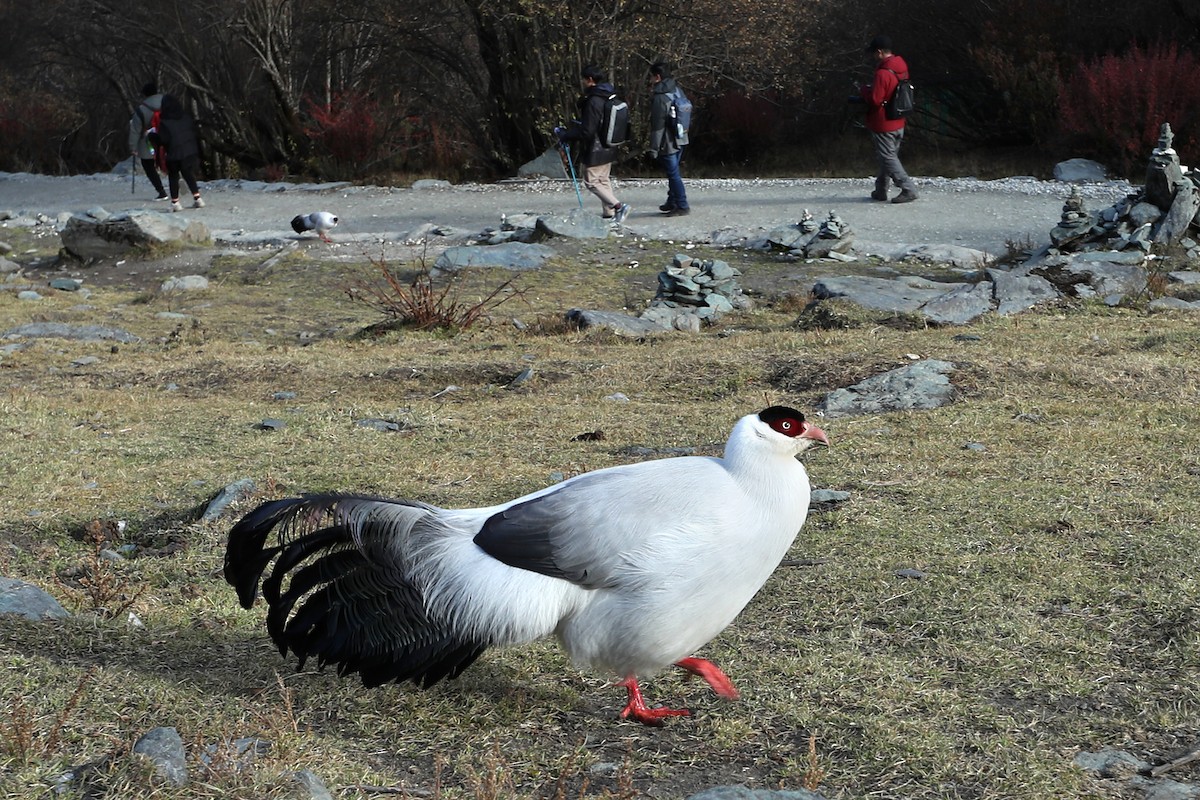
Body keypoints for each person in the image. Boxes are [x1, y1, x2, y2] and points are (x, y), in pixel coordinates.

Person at [556, 65, 630, 223]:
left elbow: (587, 131)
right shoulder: (610, 95)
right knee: (603, 179)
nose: (582, 82)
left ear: (589, 80)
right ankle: (609, 212)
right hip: (610, 145)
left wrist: (566, 135)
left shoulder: (594, 100)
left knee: (591, 181)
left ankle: (619, 206)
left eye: (583, 79)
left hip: (596, 149)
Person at [858, 35, 918, 204]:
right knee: (888, 156)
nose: (872, 57)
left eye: (873, 53)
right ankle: (881, 190)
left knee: (888, 157)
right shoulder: (901, 67)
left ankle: (908, 188)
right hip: (898, 118)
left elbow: (876, 100)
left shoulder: (883, 73)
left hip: (883, 121)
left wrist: (864, 91)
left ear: (879, 52)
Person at [647, 62, 689, 216]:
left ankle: (682, 205)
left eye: (651, 76)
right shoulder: (677, 90)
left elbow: (657, 126)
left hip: (668, 141)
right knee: (674, 171)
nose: (650, 80)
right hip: (682, 136)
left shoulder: (660, 97)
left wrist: (653, 148)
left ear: (657, 77)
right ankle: (672, 201)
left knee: (673, 174)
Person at [150, 93, 205, 212]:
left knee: (173, 176)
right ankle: (197, 198)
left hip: (174, 153)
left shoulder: (165, 122)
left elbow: (163, 140)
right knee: (188, 173)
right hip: (190, 151)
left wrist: (152, 136)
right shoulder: (186, 117)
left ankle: (175, 202)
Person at [128, 82, 168, 201]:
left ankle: (161, 191)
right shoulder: (168, 103)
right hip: (169, 138)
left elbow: (135, 129)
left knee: (148, 165)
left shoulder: (142, 109)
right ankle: (180, 186)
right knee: (173, 161)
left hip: (149, 141)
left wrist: (133, 147)